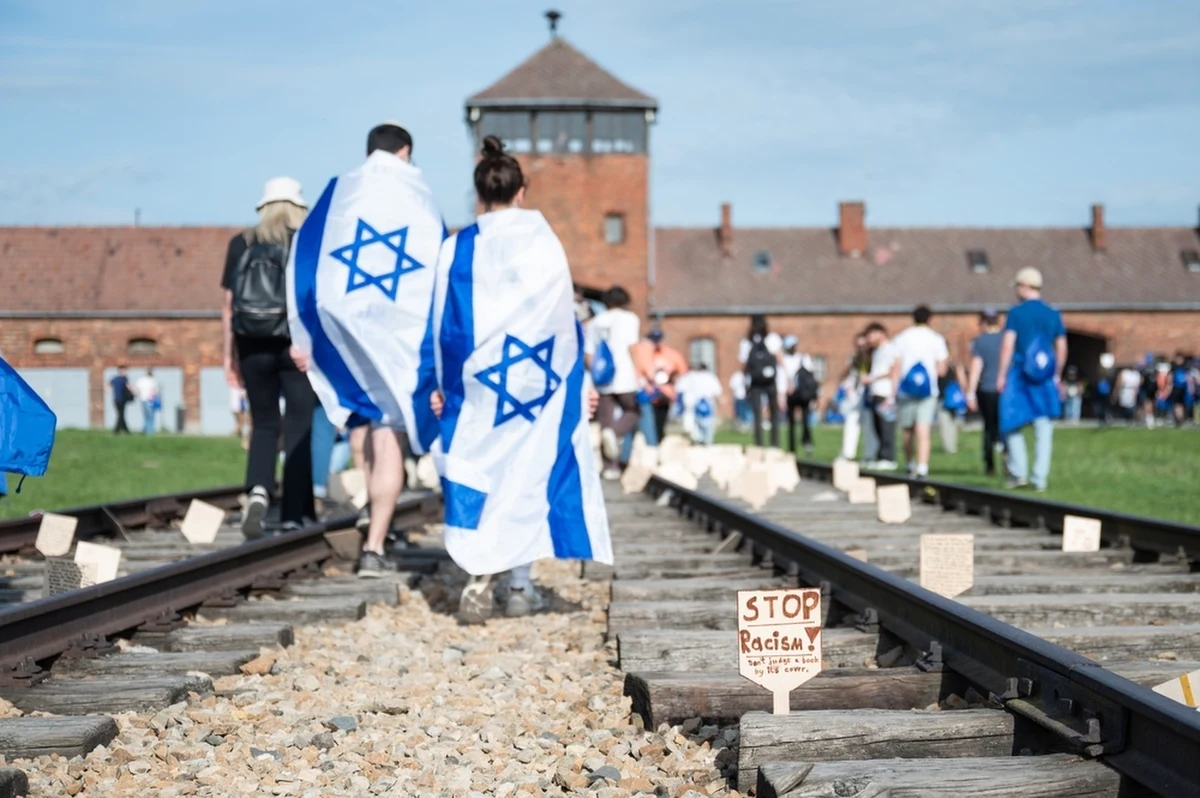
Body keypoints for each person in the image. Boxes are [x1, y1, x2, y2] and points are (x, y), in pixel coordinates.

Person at [429, 135, 611, 622]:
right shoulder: (545, 245)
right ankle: (519, 586)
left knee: (477, 466)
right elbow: (563, 325)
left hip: (477, 380)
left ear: (478, 193)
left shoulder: (455, 248)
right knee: (527, 472)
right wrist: (580, 384)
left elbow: (439, 322)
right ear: (522, 191)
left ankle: (477, 570)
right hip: (534, 379)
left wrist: (439, 384)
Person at [287, 123, 444, 575]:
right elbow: (434, 259)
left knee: (374, 429)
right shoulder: (417, 192)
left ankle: (372, 523)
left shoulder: (343, 189)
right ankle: (375, 543)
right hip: (399, 337)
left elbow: (308, 254)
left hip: (348, 333)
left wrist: (306, 336)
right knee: (389, 433)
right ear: (406, 150)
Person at [223, 175, 315, 538]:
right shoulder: (305, 243)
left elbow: (228, 307)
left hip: (251, 344)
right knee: (298, 426)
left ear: (264, 207)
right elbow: (314, 300)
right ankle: (294, 513)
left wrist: (227, 355)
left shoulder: (241, 243)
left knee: (263, 424)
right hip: (296, 347)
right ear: (298, 207)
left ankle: (258, 490)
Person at [996, 267, 1067, 491]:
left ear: (1025, 286)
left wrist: (1001, 375)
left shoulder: (1016, 313)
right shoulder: (1053, 313)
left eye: (1018, 286)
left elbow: (1008, 345)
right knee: (1044, 428)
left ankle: (1019, 473)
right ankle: (1040, 478)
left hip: (1019, 377)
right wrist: (1056, 374)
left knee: (1011, 424)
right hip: (1044, 378)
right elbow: (1062, 346)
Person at [889, 306, 949, 478]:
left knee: (907, 430)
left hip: (906, 391)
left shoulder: (902, 337)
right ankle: (923, 467)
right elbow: (942, 369)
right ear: (930, 319)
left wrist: (893, 391)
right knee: (923, 429)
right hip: (928, 391)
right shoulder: (936, 339)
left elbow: (896, 366)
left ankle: (909, 463)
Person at [588, 286, 641, 479]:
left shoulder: (594, 323)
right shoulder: (629, 319)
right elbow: (633, 347)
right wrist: (641, 372)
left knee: (605, 419)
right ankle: (615, 432)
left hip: (602, 378)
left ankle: (610, 468)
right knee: (633, 411)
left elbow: (588, 355)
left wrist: (594, 374)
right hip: (625, 375)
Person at [632, 328, 688, 444]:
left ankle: (656, 444)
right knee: (647, 423)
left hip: (665, 394)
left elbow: (681, 372)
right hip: (648, 394)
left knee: (659, 423)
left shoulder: (672, 354)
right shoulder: (645, 351)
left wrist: (671, 376)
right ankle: (652, 445)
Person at [966, 309, 1004, 476]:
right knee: (1006, 427)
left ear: (983, 322)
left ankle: (990, 465)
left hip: (987, 389)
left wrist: (970, 393)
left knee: (989, 428)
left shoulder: (980, 342)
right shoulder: (1007, 339)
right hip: (1006, 390)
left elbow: (976, 368)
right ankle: (1008, 461)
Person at [739, 315, 782, 447]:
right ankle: (774, 444)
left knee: (757, 414)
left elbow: (743, 366)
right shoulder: (772, 339)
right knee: (774, 414)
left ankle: (759, 444)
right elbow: (780, 360)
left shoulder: (747, 342)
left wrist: (744, 384)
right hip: (770, 381)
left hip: (755, 382)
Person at [862, 323, 898, 469]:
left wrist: (873, 377)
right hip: (875, 392)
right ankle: (880, 455)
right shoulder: (876, 351)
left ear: (880, 333)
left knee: (886, 426)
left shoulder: (890, 349)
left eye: (870, 336)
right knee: (877, 427)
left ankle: (889, 458)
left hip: (886, 393)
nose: (868, 340)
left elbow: (894, 370)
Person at [779, 334, 818, 456]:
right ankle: (792, 448)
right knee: (790, 422)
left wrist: (814, 395)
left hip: (803, 394)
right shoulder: (784, 359)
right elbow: (781, 377)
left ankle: (807, 443)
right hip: (790, 394)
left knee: (806, 420)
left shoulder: (804, 358)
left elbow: (811, 377)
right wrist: (783, 393)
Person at [837, 333, 873, 462]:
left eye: (863, 345)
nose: (861, 348)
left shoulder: (873, 359)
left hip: (870, 395)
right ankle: (847, 454)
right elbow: (845, 376)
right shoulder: (855, 360)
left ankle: (869, 455)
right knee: (851, 423)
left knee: (869, 426)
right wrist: (847, 386)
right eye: (859, 346)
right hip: (855, 397)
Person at [676, 363, 723, 445]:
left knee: (695, 424)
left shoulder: (689, 376)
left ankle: (698, 439)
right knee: (707, 424)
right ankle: (707, 441)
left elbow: (679, 388)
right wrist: (721, 401)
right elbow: (717, 391)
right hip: (707, 402)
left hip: (692, 402)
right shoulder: (710, 377)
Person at [135, 367, 161, 435]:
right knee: (150, 416)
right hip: (150, 400)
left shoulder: (141, 380)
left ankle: (145, 430)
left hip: (143, 400)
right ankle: (149, 432)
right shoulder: (152, 380)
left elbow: (136, 390)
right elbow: (154, 391)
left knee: (146, 416)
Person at [1169, 352, 1192, 427]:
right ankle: (1179, 420)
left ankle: (1180, 420)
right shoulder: (1175, 367)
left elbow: (1188, 378)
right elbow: (1170, 378)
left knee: (1180, 405)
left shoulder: (1184, 367)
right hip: (1177, 389)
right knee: (1177, 405)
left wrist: (1190, 387)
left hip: (1181, 389)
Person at [1093, 353, 1116, 425]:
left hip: (1107, 394)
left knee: (1107, 407)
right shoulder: (1100, 376)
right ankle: (1101, 419)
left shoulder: (1110, 377)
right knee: (1099, 407)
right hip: (1099, 393)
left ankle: (1107, 418)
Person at [110, 365, 133, 434]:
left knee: (120, 414)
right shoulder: (124, 379)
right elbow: (129, 387)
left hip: (116, 400)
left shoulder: (114, 379)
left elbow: (108, 387)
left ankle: (124, 429)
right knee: (120, 415)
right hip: (121, 399)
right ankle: (118, 430)